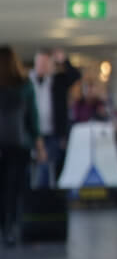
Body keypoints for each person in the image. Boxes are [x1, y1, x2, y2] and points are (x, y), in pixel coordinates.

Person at [0, 45, 46, 246]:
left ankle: (3, 225)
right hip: (20, 144)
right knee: (15, 188)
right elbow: (33, 118)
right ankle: (11, 227)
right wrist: (40, 146)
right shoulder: (25, 84)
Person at [28, 48, 80, 188]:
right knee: (33, 166)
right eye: (41, 63)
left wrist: (64, 61)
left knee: (50, 165)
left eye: (46, 63)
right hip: (32, 132)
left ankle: (46, 194)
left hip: (52, 131)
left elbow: (75, 75)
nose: (43, 67)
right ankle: (35, 193)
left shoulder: (58, 81)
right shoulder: (27, 81)